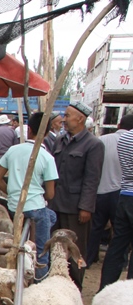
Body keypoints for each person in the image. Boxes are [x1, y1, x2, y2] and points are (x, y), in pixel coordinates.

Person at [0, 111, 58, 282]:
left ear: (29, 130)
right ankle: (40, 279)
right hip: (36, 206)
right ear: (46, 133)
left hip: (15, 207)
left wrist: (13, 193)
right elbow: (50, 193)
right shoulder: (47, 157)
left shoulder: (13, 150)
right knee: (43, 249)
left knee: (48, 218)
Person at [49, 101, 104, 288]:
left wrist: (86, 207)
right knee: (55, 248)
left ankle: (75, 288)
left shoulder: (93, 144)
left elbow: (92, 178)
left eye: (67, 116)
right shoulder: (60, 140)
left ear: (80, 119)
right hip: (56, 204)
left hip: (76, 207)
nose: (64, 119)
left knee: (76, 252)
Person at [89, 114, 133, 267]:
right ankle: (126, 268)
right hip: (119, 191)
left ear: (119, 125)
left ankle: (90, 258)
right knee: (119, 235)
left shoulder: (103, 140)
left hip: (102, 190)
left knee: (98, 229)